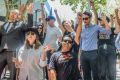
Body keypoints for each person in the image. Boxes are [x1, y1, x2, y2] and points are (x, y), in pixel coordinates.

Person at [0, 4, 33, 80]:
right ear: (9, 14)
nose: (13, 15)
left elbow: (30, 25)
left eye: (16, 14)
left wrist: (29, 13)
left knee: (12, 75)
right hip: (2, 52)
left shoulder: (21, 24)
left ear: (18, 16)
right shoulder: (3, 25)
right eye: (12, 13)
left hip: (13, 52)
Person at [49, 13, 82, 80]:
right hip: (62, 53)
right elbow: (60, 23)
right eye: (65, 41)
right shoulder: (65, 32)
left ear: (72, 24)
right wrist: (56, 13)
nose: (67, 42)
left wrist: (79, 21)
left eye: (68, 22)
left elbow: (77, 38)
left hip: (73, 52)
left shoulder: (74, 32)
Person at [80, 11, 111, 80]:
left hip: (93, 53)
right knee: (85, 75)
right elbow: (80, 42)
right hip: (83, 54)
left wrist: (105, 20)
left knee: (95, 74)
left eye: (86, 18)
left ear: (90, 18)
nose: (84, 20)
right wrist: (79, 56)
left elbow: (108, 32)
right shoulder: (81, 28)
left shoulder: (96, 27)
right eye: (83, 19)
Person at [97, 15, 116, 80]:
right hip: (101, 52)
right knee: (102, 72)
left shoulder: (112, 29)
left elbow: (117, 30)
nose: (99, 21)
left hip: (111, 52)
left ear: (106, 21)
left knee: (111, 71)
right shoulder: (98, 30)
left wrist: (115, 15)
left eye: (101, 20)